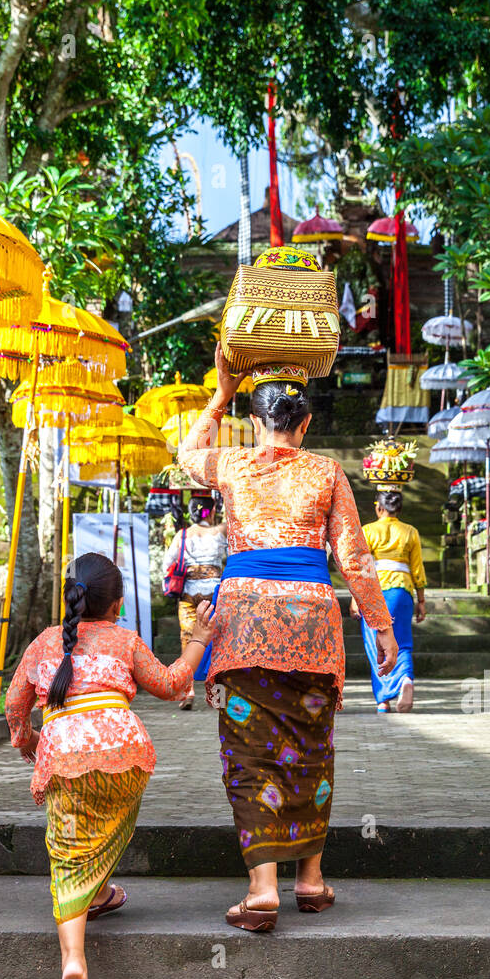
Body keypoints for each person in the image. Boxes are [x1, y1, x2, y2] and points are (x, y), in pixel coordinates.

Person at [178, 344, 398, 932]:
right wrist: (380, 626)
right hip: (313, 627)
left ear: (255, 423)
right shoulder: (326, 471)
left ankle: (262, 889)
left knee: (251, 755)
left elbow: (186, 453)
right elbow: (354, 556)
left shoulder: (232, 464)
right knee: (311, 748)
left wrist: (222, 393)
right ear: (305, 423)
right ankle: (311, 880)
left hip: (243, 626)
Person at [5, 551, 215, 979]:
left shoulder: (43, 644)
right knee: (108, 823)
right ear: (118, 604)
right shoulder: (125, 640)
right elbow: (172, 684)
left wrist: (27, 742)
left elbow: (14, 706)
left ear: (69, 599)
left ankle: (74, 964)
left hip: (65, 755)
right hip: (125, 756)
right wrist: (199, 640)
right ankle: (98, 892)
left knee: (68, 852)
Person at [350, 488, 426, 713]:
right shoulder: (410, 532)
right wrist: (421, 600)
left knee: (375, 643)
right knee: (401, 641)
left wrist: (356, 598)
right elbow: (417, 569)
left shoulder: (368, 531)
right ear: (398, 508)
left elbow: (362, 567)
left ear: (379, 508)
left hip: (374, 593)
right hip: (401, 592)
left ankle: (383, 699)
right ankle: (405, 679)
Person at [162, 493, 227, 710]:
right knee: (218, 642)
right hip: (214, 592)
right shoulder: (221, 531)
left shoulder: (182, 535)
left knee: (188, 642)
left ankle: (187, 692)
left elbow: (167, 564)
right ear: (211, 511)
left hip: (189, 593)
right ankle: (217, 694)